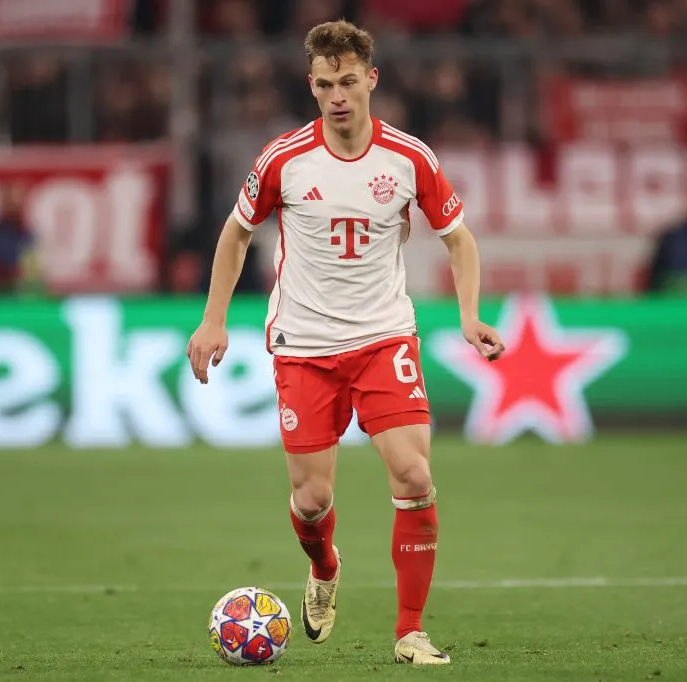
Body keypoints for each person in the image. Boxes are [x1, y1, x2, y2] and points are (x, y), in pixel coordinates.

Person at [186, 20, 504, 665]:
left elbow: (460, 240)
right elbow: (236, 232)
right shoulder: (284, 158)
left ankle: (409, 632)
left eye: (349, 82)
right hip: (303, 343)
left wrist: (469, 316)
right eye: (325, 84)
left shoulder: (410, 158)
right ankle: (325, 567)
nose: (337, 95)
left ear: (371, 80)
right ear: (312, 84)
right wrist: (213, 318)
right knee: (313, 500)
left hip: (384, 336)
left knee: (414, 475)